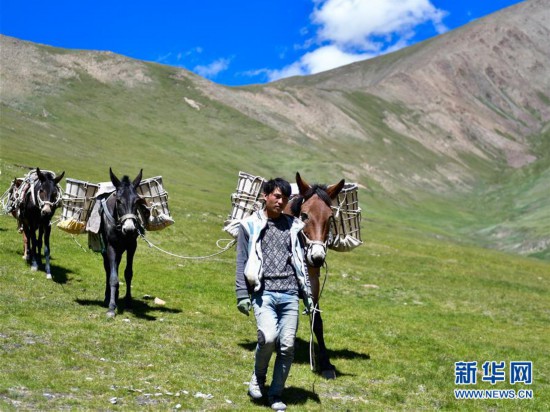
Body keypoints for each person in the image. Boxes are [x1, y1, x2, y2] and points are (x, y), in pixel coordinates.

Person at [235, 177, 313, 411]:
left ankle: (276, 394)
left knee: (288, 346)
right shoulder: (249, 225)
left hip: (290, 293)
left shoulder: (294, 226)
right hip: (264, 293)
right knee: (267, 338)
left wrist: (307, 295)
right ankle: (258, 378)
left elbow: (300, 262)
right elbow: (241, 261)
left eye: (285, 198)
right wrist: (241, 293)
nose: (281, 201)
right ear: (265, 196)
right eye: (277, 196)